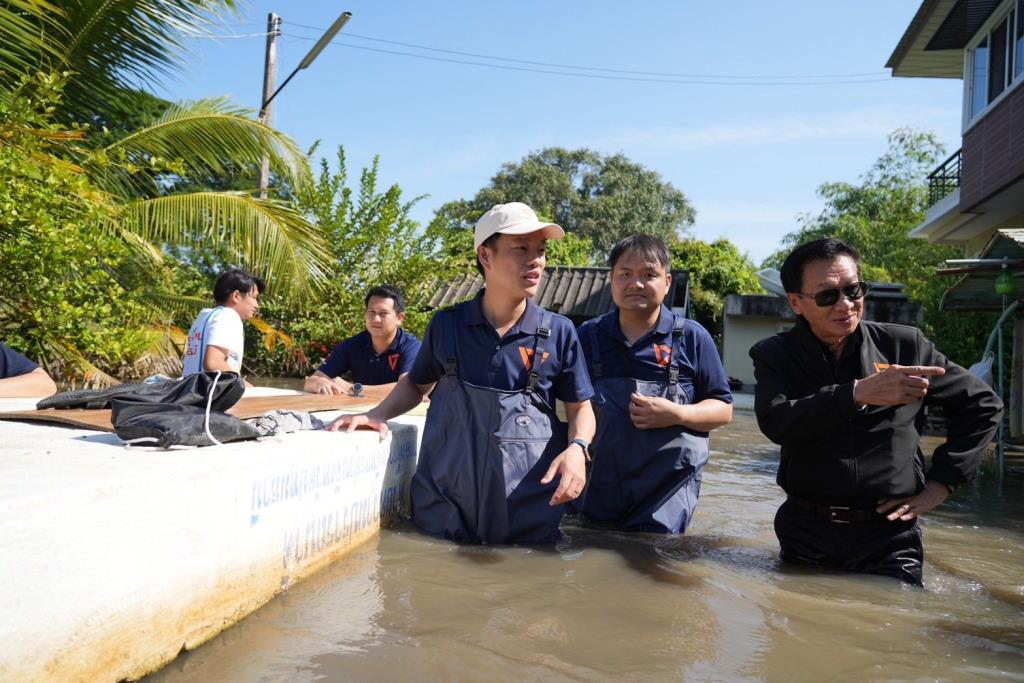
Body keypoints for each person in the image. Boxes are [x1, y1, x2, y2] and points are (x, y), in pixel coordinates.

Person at [327, 202, 596, 544]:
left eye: (541, 250)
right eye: (521, 249)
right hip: (445, 510)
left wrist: (577, 448)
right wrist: (375, 414)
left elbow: (580, 408)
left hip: (526, 513)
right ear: (486, 255)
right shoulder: (448, 325)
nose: (536, 260)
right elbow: (416, 384)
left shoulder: (558, 332)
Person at [749, 237, 1002, 586]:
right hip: (806, 529)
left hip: (890, 534)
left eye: (854, 290)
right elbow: (777, 421)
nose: (846, 305)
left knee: (890, 626)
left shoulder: (904, 346)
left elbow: (983, 405)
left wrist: (944, 481)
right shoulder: (774, 355)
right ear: (796, 302)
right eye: (827, 296)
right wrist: (857, 393)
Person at [577, 235, 733, 534]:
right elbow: (571, 404)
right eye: (625, 274)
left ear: (667, 282)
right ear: (611, 279)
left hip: (666, 495)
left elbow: (723, 409)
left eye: (649, 275)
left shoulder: (692, 337)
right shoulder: (588, 336)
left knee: (655, 561)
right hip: (599, 487)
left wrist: (677, 414)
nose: (636, 283)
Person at [304, 285, 421, 395]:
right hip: (362, 410)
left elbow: (409, 389)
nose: (376, 319)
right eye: (371, 312)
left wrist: (353, 389)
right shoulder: (351, 345)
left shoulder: (411, 347)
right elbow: (310, 382)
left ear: (400, 318)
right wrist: (319, 383)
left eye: (383, 313)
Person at [182, 268, 264, 382]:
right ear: (236, 296)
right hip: (208, 396)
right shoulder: (229, 316)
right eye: (254, 297)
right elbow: (213, 363)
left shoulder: (203, 317)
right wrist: (246, 386)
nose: (256, 305)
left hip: (188, 392)